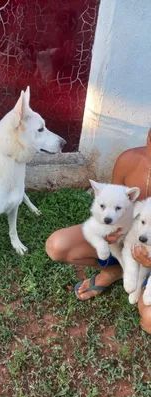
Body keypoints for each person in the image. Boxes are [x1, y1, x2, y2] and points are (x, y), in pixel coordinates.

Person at [45, 128, 151, 334]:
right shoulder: (128, 160)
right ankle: (115, 270)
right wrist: (107, 231)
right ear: (149, 136)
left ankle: (141, 280)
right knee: (57, 245)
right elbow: (109, 205)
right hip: (121, 241)